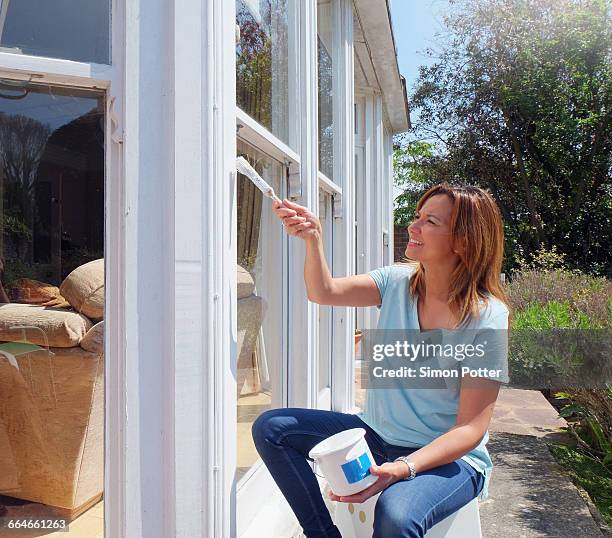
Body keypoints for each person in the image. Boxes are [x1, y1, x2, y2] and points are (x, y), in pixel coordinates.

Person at [251, 183, 511, 538]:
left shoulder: (486, 317)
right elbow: (322, 291)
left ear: (464, 240)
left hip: (448, 459)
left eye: (430, 221)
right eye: (417, 216)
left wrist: (404, 468)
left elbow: (470, 429)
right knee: (273, 429)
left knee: (396, 516)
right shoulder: (396, 282)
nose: (413, 227)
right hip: (377, 435)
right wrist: (313, 239)